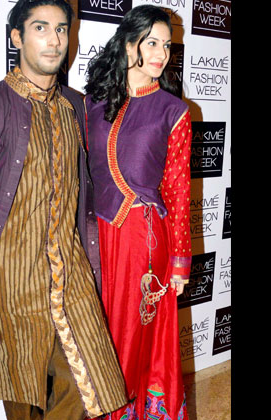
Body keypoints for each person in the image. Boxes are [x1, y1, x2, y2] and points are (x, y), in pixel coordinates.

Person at [0, 1, 127, 419]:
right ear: (17, 38)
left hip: (71, 268)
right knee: (23, 390)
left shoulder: (76, 106)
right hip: (13, 275)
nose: (54, 39)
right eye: (41, 28)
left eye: (62, 29)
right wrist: (14, 233)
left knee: (88, 384)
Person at [83, 5, 193, 420]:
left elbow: (179, 191)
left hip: (142, 242)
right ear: (128, 44)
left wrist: (180, 263)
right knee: (99, 336)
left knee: (131, 338)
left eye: (167, 45)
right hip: (95, 237)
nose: (162, 53)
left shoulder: (172, 110)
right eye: (152, 42)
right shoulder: (92, 101)